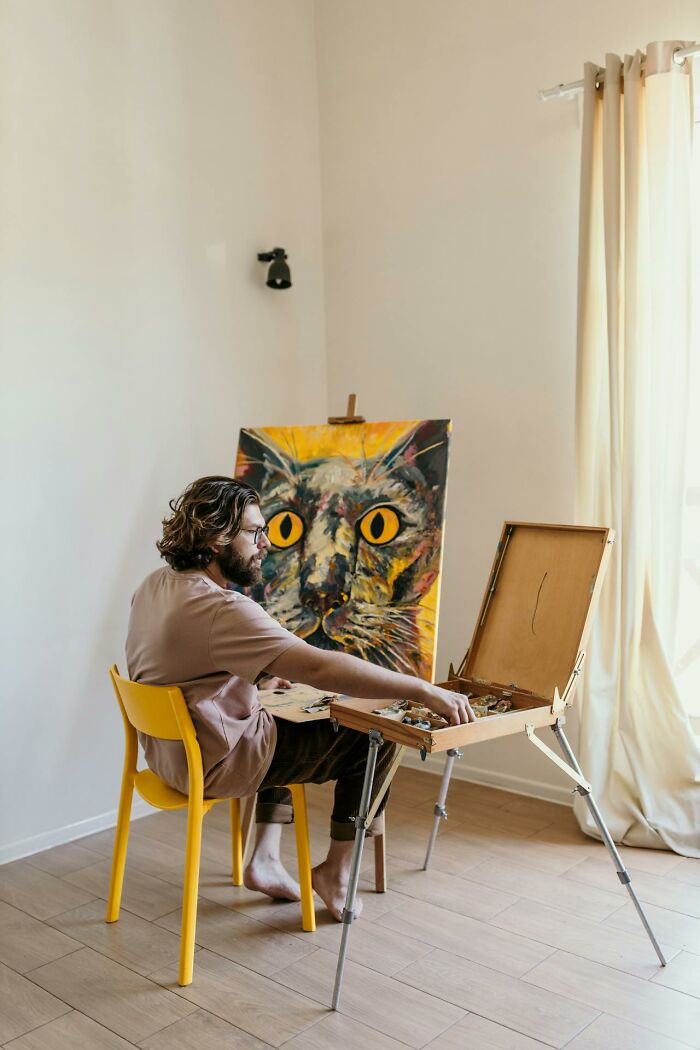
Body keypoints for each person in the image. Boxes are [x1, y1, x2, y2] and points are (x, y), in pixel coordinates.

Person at [126, 476, 475, 920]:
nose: (265, 543)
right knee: (379, 732)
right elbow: (316, 666)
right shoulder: (221, 609)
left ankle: (266, 858)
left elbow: (183, 668)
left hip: (167, 757)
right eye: (254, 532)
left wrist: (252, 684)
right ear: (216, 538)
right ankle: (336, 871)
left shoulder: (156, 585)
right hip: (214, 764)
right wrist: (422, 689)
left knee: (276, 715)